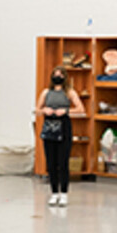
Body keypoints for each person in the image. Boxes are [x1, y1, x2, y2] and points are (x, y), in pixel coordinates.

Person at [35, 66, 86, 207]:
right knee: (51, 163)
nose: (57, 77)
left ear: (65, 78)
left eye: (60, 75)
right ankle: (53, 193)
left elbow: (81, 109)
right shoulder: (46, 92)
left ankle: (63, 193)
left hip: (63, 128)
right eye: (55, 75)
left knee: (63, 162)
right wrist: (44, 110)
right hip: (49, 128)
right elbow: (37, 110)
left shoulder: (69, 92)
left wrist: (66, 111)